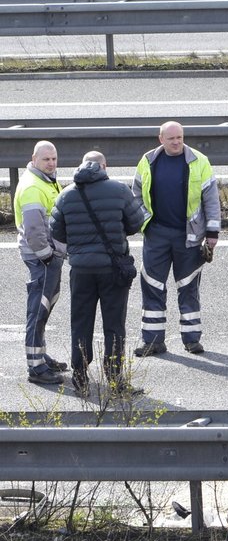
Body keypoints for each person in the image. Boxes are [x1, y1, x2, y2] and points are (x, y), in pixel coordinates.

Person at [49, 151, 145, 396]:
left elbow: (57, 232)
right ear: (104, 167)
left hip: (81, 269)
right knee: (114, 326)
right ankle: (114, 381)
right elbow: (135, 224)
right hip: (113, 268)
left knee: (80, 323)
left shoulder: (66, 195)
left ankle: (80, 378)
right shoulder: (119, 190)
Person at [132, 121, 221, 356]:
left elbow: (211, 200)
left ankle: (192, 340)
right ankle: (152, 341)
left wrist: (212, 234)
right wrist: (145, 225)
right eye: (171, 138)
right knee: (152, 286)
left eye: (180, 137)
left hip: (188, 236)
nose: (177, 142)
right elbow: (136, 195)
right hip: (157, 234)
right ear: (161, 139)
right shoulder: (148, 160)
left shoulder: (198, 161)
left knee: (188, 286)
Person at [14, 141, 68, 386]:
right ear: (34, 159)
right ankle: (36, 368)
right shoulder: (33, 187)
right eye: (46, 159)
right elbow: (34, 230)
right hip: (42, 258)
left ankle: (40, 354)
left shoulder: (45, 180)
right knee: (38, 310)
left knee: (44, 307)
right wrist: (48, 256)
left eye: (54, 159)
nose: (51, 163)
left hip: (46, 256)